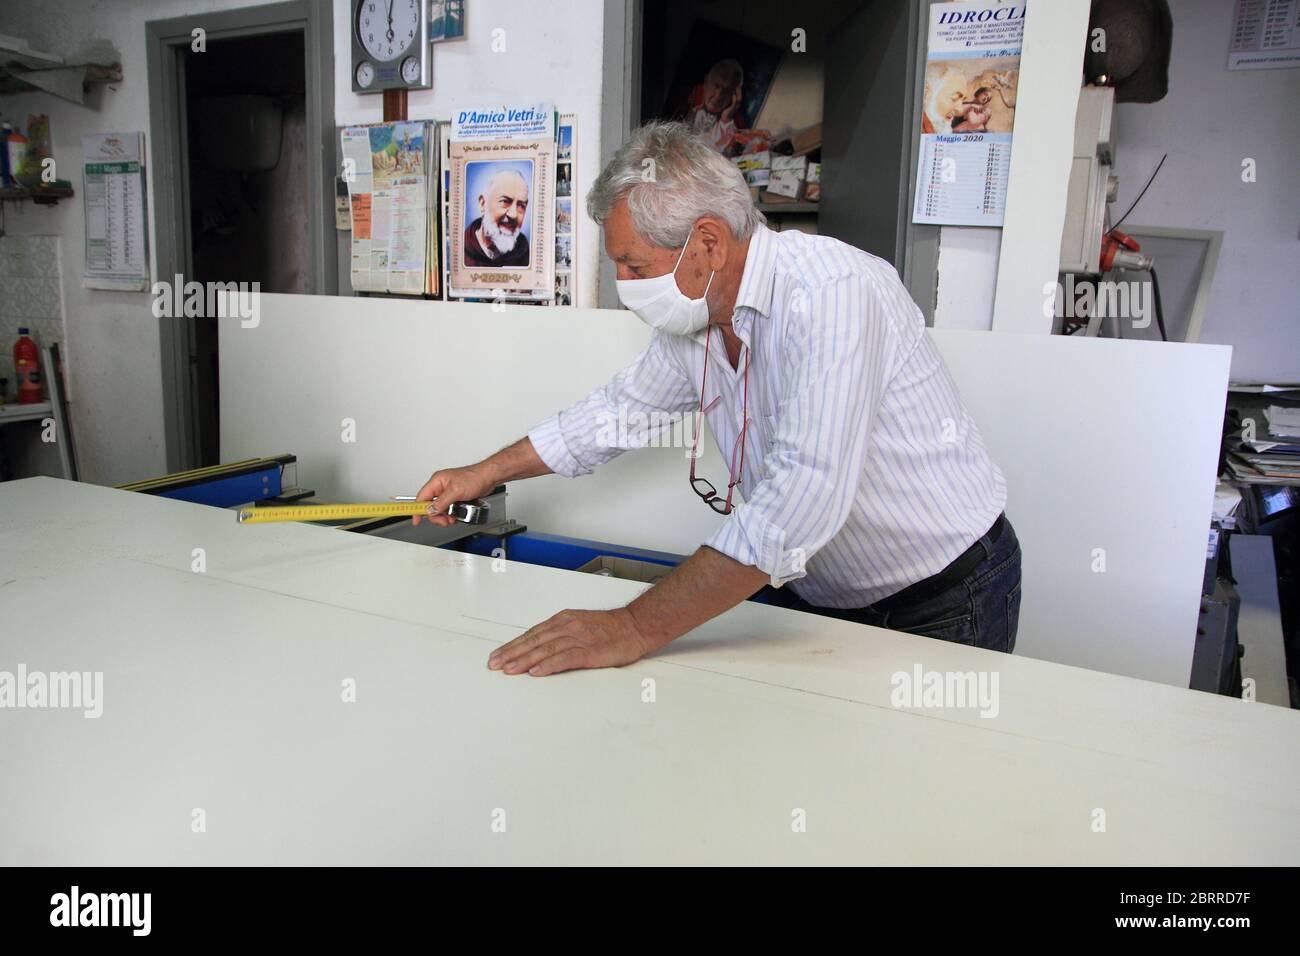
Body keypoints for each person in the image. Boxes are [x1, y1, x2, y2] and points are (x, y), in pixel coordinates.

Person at [417, 121, 1021, 677]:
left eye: (633, 265)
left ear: (706, 242)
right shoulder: (698, 318)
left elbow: (797, 502)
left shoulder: (834, 292)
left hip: (943, 595)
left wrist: (632, 626)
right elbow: (614, 415)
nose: (626, 287)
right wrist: (484, 473)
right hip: (825, 596)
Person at [463, 168, 530, 267]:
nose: (513, 214)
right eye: (504, 201)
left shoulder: (523, 253)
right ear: (483, 204)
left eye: (521, 206)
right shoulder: (462, 248)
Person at [686, 59, 745, 153]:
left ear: (734, 95)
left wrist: (725, 120)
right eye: (716, 86)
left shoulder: (735, 125)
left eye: (726, 91)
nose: (718, 97)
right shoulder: (688, 105)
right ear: (706, 82)